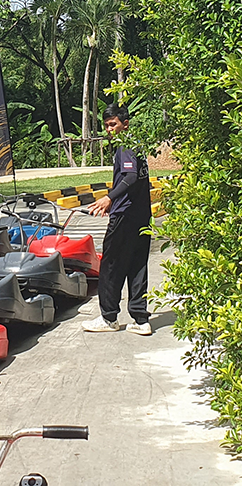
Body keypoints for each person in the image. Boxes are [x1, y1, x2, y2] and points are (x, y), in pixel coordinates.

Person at [82, 103, 153, 336]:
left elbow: (130, 177)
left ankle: (109, 317)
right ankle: (140, 320)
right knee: (137, 266)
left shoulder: (125, 146)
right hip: (143, 216)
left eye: (113, 124)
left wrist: (109, 198)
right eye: (106, 125)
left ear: (125, 124)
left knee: (111, 266)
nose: (109, 129)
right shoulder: (138, 145)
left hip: (125, 216)